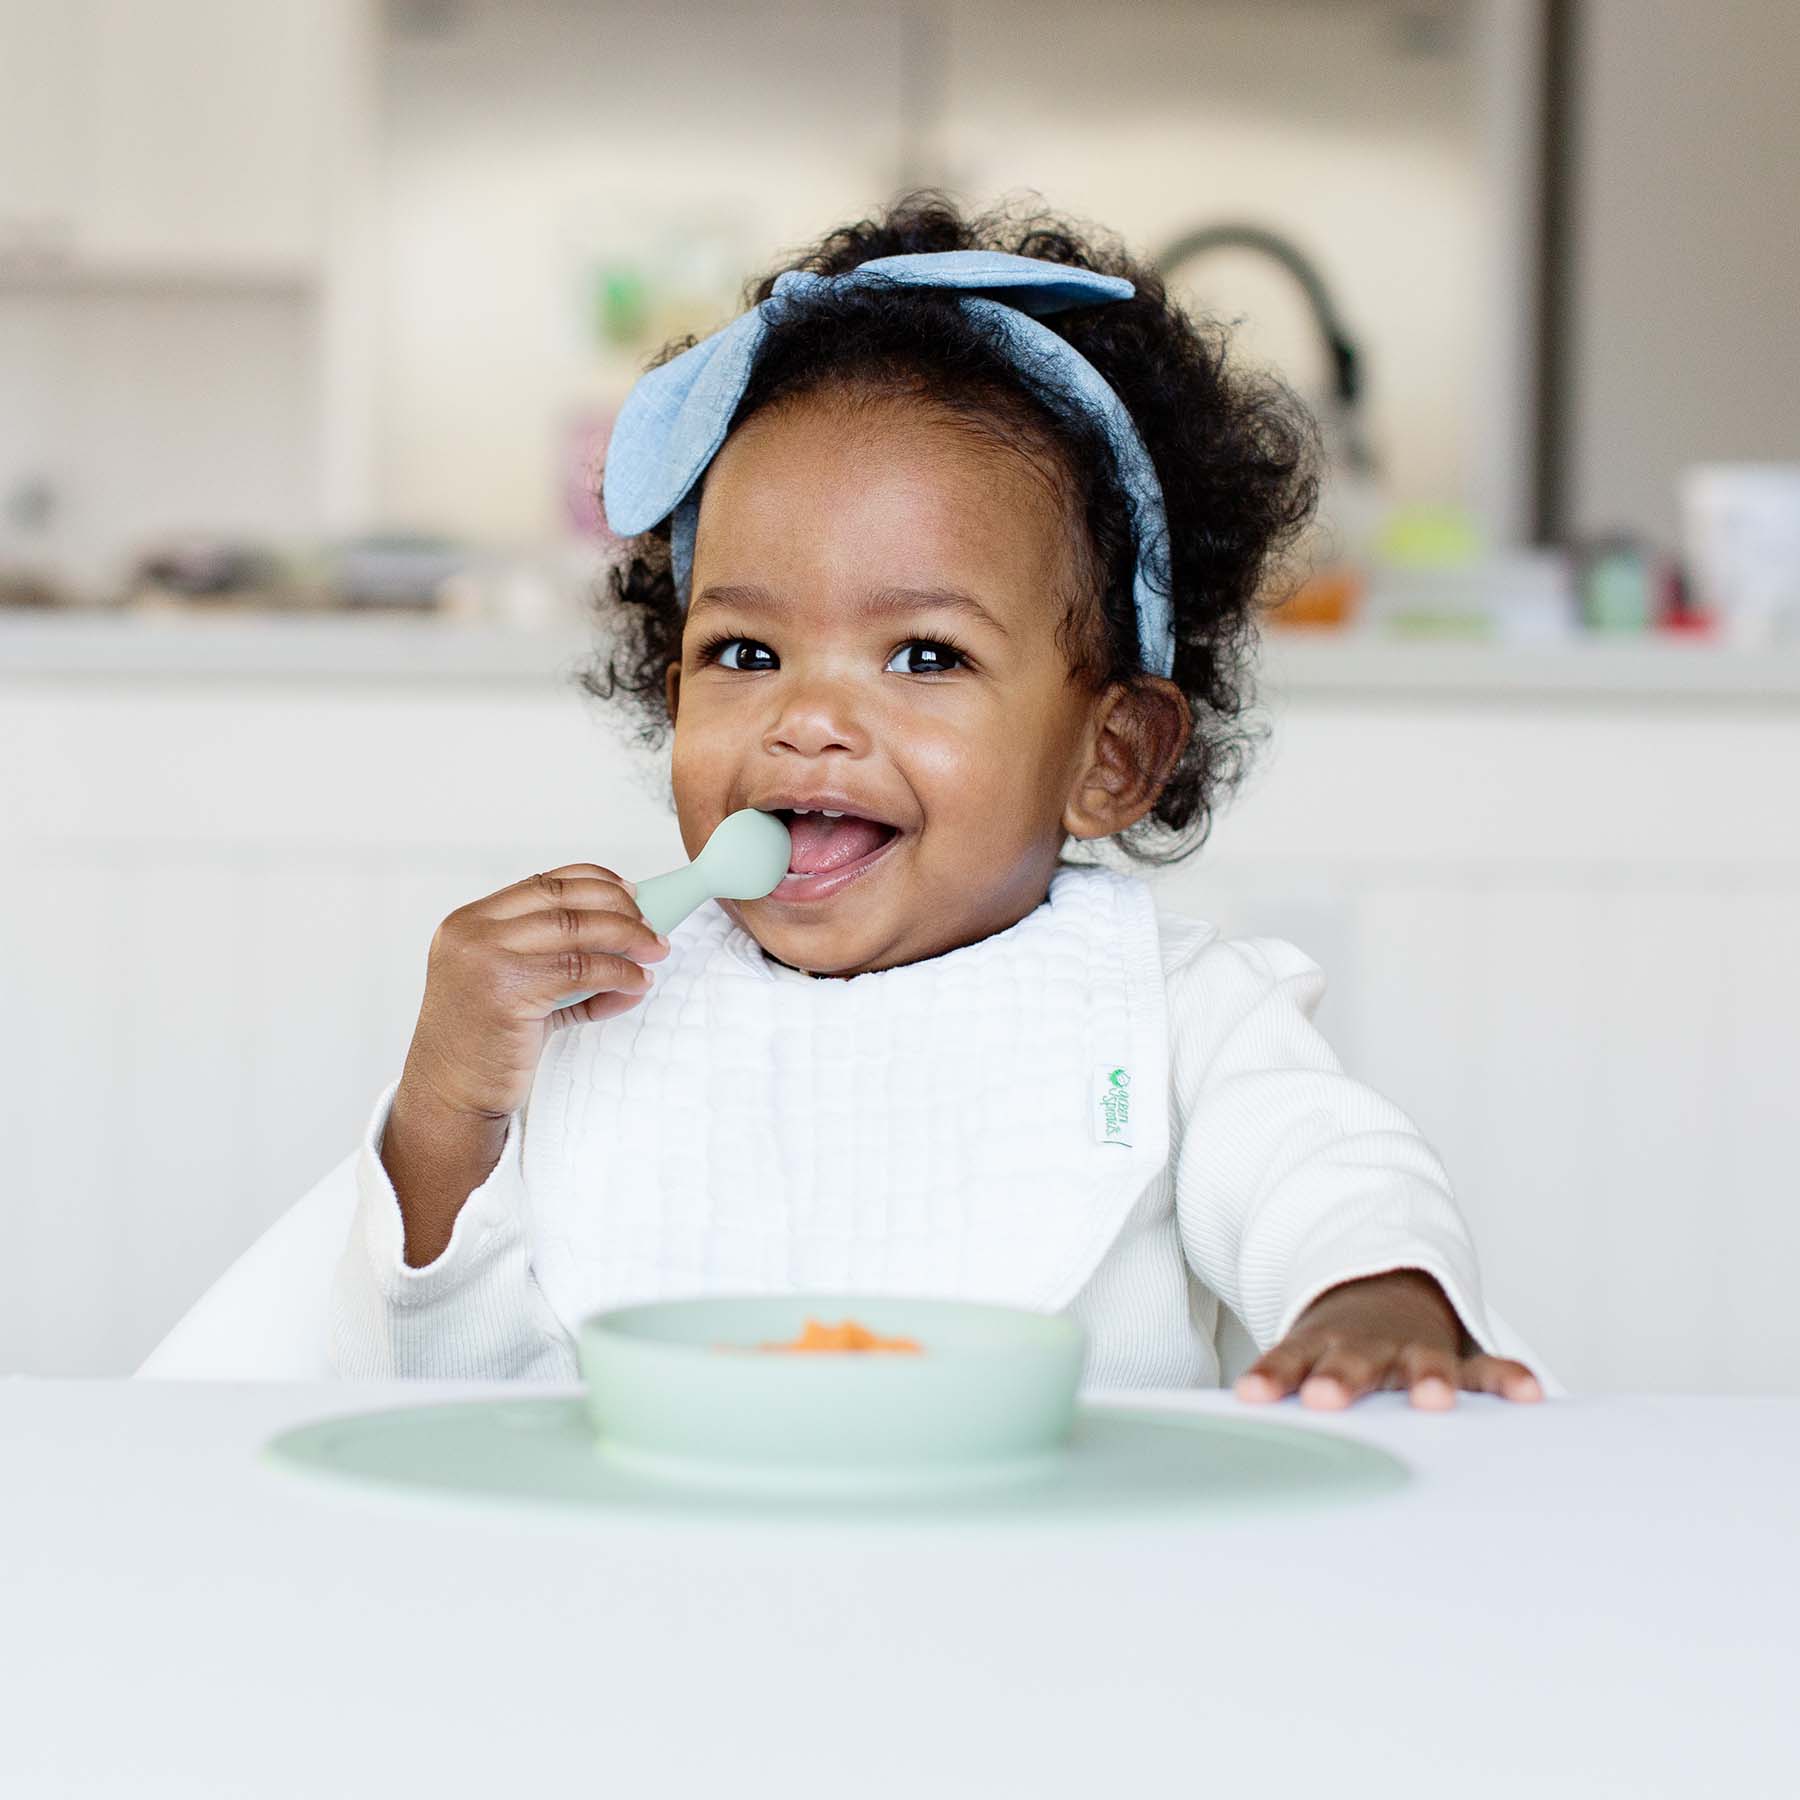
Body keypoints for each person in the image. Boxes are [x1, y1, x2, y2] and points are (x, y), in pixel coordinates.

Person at [331, 194, 1542, 1410]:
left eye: (924, 656)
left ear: (1109, 756)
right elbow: (462, 1394)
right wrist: (449, 1099)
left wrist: (1376, 1294)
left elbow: (1326, 1174)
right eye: (746, 654)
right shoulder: (596, 1018)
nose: (807, 717)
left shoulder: (1180, 1018)